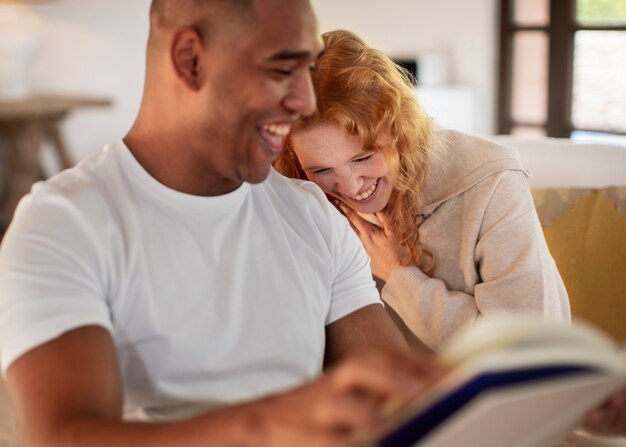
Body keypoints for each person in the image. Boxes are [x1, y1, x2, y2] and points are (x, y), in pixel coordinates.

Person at [0, 2, 447, 446]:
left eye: (306, 69)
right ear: (190, 60)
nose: (305, 102)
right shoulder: (64, 224)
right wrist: (272, 425)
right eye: (280, 69)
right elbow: (64, 437)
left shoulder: (310, 212)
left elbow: (397, 408)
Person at [274, 29, 570, 350]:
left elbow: (529, 350)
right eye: (321, 169)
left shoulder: (490, 181)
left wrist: (400, 274)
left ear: (398, 127)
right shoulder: (299, 195)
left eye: (362, 158)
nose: (349, 186)